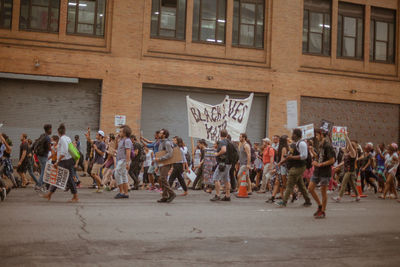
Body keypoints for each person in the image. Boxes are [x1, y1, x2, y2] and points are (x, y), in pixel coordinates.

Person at [276, 129, 312, 207]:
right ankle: (308, 201)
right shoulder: (294, 144)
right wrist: (281, 162)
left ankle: (284, 202)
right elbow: (289, 156)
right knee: (301, 185)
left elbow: (304, 156)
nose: (291, 135)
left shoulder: (302, 144)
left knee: (289, 184)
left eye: (293, 134)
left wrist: (292, 157)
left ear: (296, 135)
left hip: (299, 167)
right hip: (295, 166)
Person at [43, 124, 79, 202]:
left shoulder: (62, 139)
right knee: (59, 177)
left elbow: (64, 151)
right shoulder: (67, 138)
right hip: (68, 160)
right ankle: (50, 194)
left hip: (65, 161)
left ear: (58, 132)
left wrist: (57, 161)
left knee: (66, 178)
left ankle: (75, 196)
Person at [308, 129, 335, 219]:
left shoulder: (328, 146)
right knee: (310, 188)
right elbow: (320, 157)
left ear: (322, 135)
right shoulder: (320, 145)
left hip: (325, 172)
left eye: (317, 135)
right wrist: (312, 152)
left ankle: (323, 211)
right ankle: (320, 206)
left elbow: (332, 160)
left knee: (323, 192)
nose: (316, 137)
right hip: (317, 171)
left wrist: (320, 164)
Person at [332, 132, 360, 202]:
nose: (347, 146)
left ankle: (339, 197)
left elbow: (350, 145)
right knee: (352, 184)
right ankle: (358, 196)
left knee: (344, 183)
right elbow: (344, 162)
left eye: (348, 146)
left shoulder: (353, 153)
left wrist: (346, 137)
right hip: (347, 170)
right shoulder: (347, 154)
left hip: (350, 170)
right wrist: (336, 166)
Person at [155, 129, 176, 203]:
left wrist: (160, 158)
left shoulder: (167, 143)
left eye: (160, 133)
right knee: (161, 179)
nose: (159, 134)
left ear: (164, 135)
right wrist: (158, 165)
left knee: (163, 178)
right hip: (162, 163)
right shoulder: (161, 142)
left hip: (166, 163)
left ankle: (172, 193)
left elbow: (170, 154)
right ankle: (165, 196)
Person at [210, 129, 232, 202]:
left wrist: (217, 154)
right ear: (227, 134)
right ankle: (227, 195)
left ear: (220, 134)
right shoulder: (229, 142)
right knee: (226, 179)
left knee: (216, 178)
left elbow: (224, 150)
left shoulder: (222, 142)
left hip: (223, 163)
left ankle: (217, 195)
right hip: (229, 163)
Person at [113, 125, 133, 199]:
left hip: (123, 160)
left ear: (125, 133)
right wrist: (116, 140)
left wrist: (127, 163)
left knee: (117, 173)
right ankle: (125, 193)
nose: (119, 132)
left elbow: (128, 152)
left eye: (121, 131)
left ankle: (121, 192)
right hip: (120, 160)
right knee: (124, 176)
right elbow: (116, 148)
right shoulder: (121, 140)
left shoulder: (127, 140)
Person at [34, 124, 52, 191]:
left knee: (43, 171)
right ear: (49, 129)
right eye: (51, 129)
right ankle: (38, 185)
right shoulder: (47, 138)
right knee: (43, 172)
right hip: (44, 156)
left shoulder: (42, 135)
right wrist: (51, 148)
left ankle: (41, 184)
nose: (51, 130)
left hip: (39, 155)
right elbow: (49, 148)